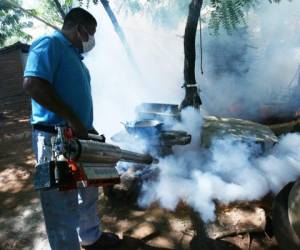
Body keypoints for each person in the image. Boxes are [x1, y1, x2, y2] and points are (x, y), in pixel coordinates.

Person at [23, 7, 120, 250]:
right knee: (60, 206)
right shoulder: (49, 43)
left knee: (87, 192)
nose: (92, 39)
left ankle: (90, 237)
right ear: (79, 28)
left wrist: (91, 132)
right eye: (91, 33)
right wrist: (72, 119)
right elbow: (33, 84)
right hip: (53, 137)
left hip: (79, 136)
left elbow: (78, 104)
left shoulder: (76, 59)